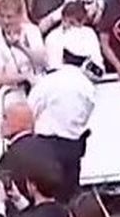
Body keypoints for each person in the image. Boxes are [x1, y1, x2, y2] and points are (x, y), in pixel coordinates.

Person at [27, 41, 96, 202]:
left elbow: (31, 107)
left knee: (47, 194)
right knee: (70, 195)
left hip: (47, 145)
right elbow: (87, 112)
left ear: (64, 58)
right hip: (73, 146)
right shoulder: (87, 86)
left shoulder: (50, 81)